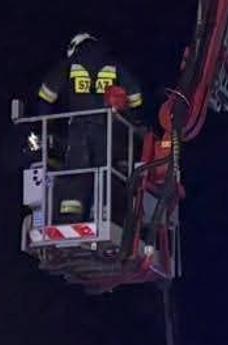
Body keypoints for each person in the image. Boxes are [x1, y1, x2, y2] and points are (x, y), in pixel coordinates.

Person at [33, 32, 145, 224]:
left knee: (75, 171)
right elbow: (135, 96)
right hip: (106, 129)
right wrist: (133, 120)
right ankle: (102, 213)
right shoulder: (113, 64)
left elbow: (46, 94)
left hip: (78, 127)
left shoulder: (70, 64)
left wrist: (45, 124)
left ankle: (70, 215)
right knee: (105, 170)